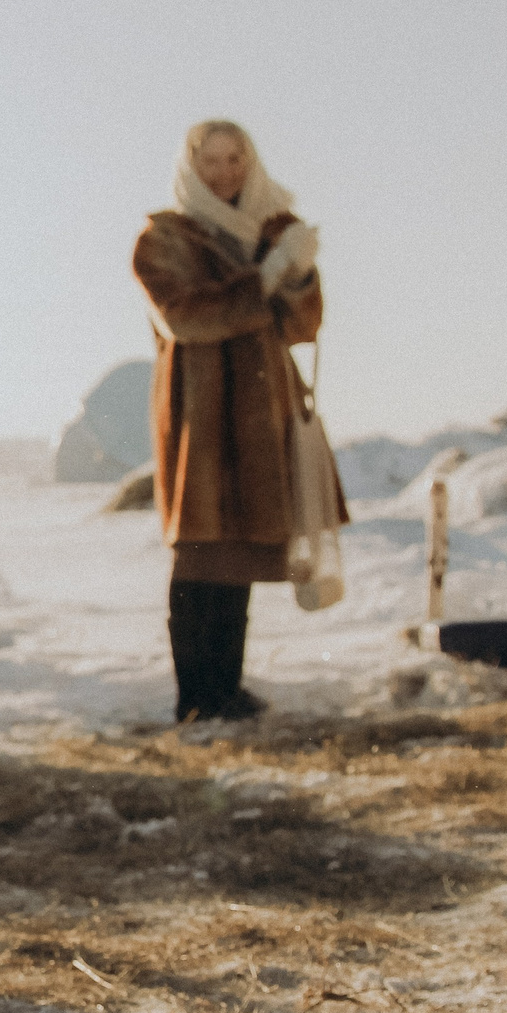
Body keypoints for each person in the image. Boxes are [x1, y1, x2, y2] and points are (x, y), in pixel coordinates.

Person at [131, 120, 340, 722]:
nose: (225, 174)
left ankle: (228, 687)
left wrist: (297, 275)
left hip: (262, 405)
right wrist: (265, 280)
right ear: (190, 170)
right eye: (211, 163)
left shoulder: (271, 231)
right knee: (200, 552)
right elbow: (183, 319)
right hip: (199, 407)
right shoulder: (164, 236)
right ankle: (195, 696)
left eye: (235, 160)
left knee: (244, 550)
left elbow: (302, 328)